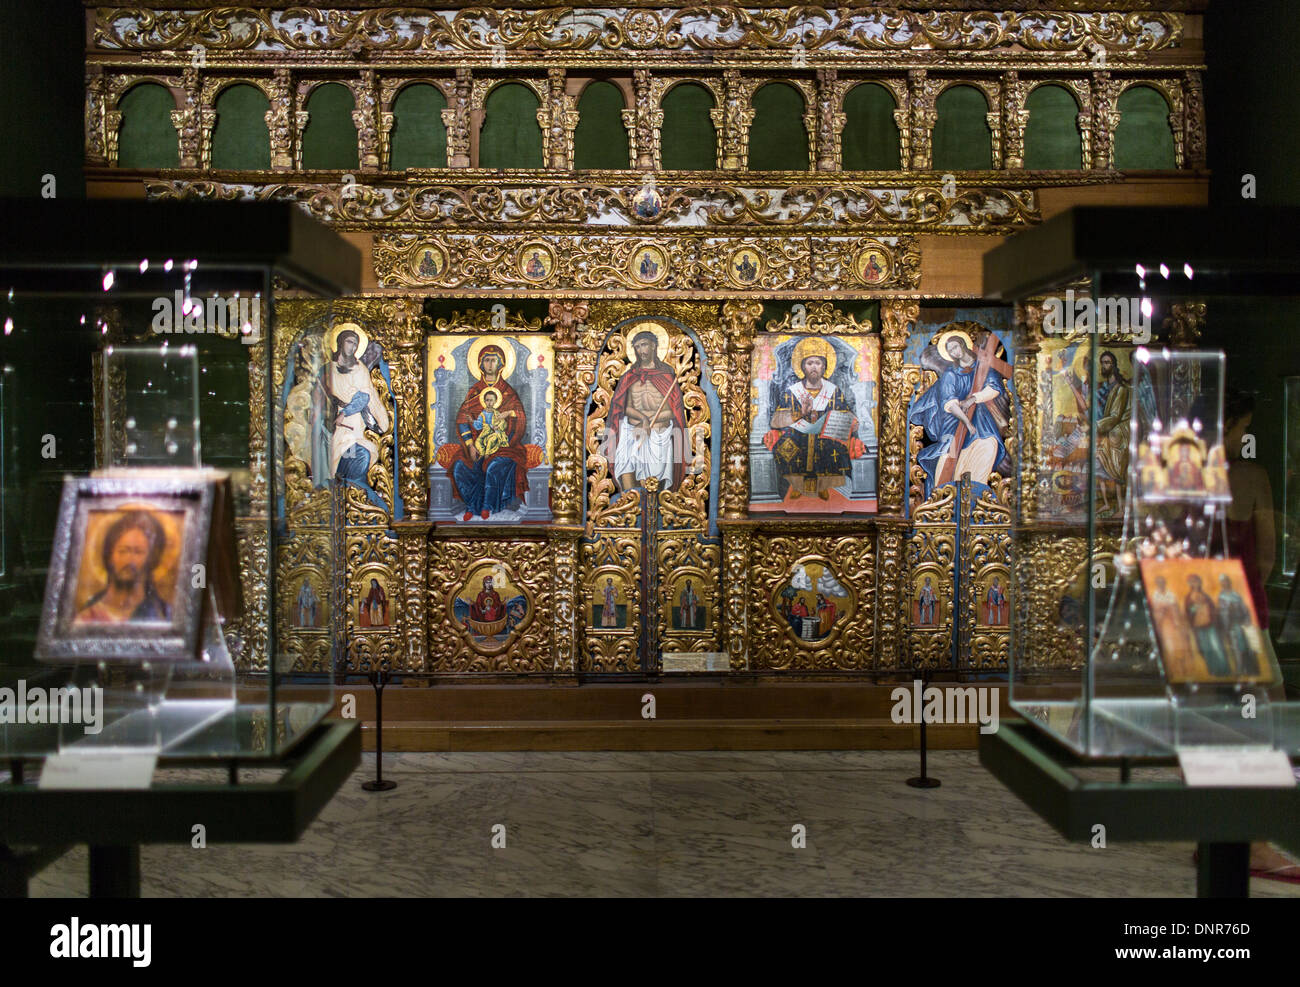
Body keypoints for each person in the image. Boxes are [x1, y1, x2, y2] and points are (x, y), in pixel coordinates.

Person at [909, 331, 1008, 498]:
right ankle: (949, 501)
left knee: (989, 445)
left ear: (963, 344)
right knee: (948, 461)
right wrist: (967, 423)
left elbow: (995, 388)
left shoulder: (982, 367)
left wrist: (974, 399)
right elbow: (950, 404)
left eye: (955, 347)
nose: (954, 352)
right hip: (954, 425)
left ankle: (977, 500)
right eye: (950, 350)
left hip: (982, 421)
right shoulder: (950, 374)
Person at [763, 339, 863, 502]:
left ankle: (822, 486)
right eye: (810, 363)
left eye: (818, 363)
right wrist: (799, 413)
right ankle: (797, 485)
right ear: (803, 367)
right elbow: (776, 420)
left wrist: (851, 421)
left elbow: (845, 414)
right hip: (798, 433)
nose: (814, 367)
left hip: (825, 433)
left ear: (824, 366)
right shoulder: (792, 392)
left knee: (830, 444)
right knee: (789, 441)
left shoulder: (833, 391)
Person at [448, 345, 529, 521]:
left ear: (500, 364)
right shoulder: (475, 392)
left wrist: (509, 414)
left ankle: (484, 507)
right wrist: (470, 445)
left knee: (493, 467)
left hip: (505, 445)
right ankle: (473, 506)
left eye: (493, 360)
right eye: (486, 360)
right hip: (478, 444)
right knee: (460, 467)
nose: (490, 364)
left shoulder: (508, 392)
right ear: (480, 363)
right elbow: (463, 418)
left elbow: (520, 417)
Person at [313, 326, 391, 510]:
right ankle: (337, 500)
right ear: (340, 343)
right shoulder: (327, 369)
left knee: (361, 454)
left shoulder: (360, 369)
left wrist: (344, 414)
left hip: (354, 420)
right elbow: (318, 397)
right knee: (332, 456)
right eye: (349, 342)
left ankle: (356, 500)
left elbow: (364, 397)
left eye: (356, 343)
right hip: (331, 422)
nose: (353, 347)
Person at [608, 330, 686, 492]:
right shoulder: (630, 376)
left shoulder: (666, 376)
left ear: (654, 346)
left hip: (659, 433)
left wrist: (650, 424)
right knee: (625, 457)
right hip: (633, 431)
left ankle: (657, 504)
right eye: (637, 347)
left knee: (655, 486)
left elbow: (673, 411)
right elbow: (625, 407)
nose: (640, 350)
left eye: (644, 345)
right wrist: (643, 420)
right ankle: (630, 501)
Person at [77, 510, 172, 623]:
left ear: (151, 559)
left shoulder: (162, 615)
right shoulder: (88, 617)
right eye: (123, 551)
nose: (129, 560)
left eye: (138, 552)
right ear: (110, 556)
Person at [1150, 575, 1196, 679]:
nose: (1161, 584)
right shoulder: (1155, 595)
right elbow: (1155, 610)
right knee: (1170, 648)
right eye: (1159, 582)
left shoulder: (1170, 594)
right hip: (1165, 625)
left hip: (1175, 623)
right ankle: (1175, 671)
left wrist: (1172, 609)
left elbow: (1176, 608)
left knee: (1181, 647)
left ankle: (1185, 671)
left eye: (1162, 582)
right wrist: (1162, 609)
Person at [1184, 574, 1229, 676]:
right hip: (1199, 626)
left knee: (1217, 646)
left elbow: (1213, 609)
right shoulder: (1189, 597)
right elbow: (1189, 612)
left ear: (1200, 582)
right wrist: (1196, 606)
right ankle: (1213, 671)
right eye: (1192, 581)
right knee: (1206, 648)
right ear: (1190, 584)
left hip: (1210, 625)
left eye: (1196, 581)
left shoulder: (1205, 595)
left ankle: (1224, 670)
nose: (1195, 583)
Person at [1215, 572, 1259, 676]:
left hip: (1240, 625)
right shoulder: (1221, 596)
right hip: (1230, 627)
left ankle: (1247, 669)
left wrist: (1246, 621)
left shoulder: (1236, 595)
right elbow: (1221, 612)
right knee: (1235, 648)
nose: (1225, 583)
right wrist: (1227, 611)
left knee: (1244, 647)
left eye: (1226, 581)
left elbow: (1244, 609)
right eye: (1223, 582)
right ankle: (1239, 669)